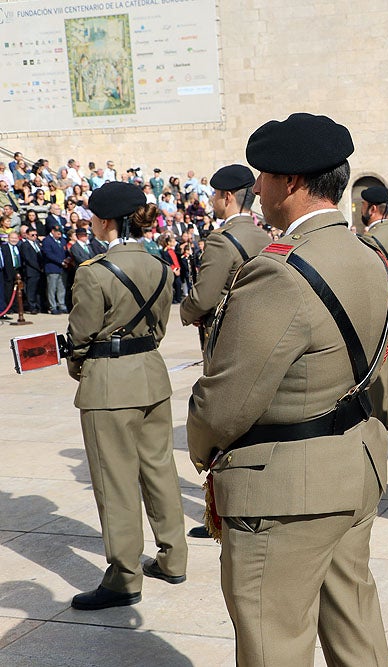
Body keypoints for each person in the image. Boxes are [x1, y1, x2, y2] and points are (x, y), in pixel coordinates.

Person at [186, 112, 388, 666]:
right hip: (354, 464)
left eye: (264, 175)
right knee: (355, 629)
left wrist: (202, 449)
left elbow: (226, 400)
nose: (257, 187)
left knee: (273, 640)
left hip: (287, 488)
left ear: (292, 183)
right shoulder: (369, 254)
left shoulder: (279, 273)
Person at [65, 181, 188, 610]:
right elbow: (159, 327)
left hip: (110, 381)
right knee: (158, 469)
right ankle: (174, 557)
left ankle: (123, 576)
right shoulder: (160, 266)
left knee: (115, 480)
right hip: (151, 373)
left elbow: (80, 335)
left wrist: (78, 364)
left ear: (106, 221)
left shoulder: (93, 270)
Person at [180, 164, 270, 359]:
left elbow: (203, 298)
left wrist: (187, 312)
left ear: (227, 197)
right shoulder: (265, 237)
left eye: (216, 194)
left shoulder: (220, 239)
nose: (213, 200)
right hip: (259, 331)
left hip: (226, 334)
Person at [359, 185, 388, 433]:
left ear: (373, 209)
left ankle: (380, 423)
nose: (361, 210)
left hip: (380, 314)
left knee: (378, 379)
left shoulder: (371, 240)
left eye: (363, 206)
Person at [41, 226, 69, 313]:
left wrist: (67, 258)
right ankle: (52, 306)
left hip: (62, 268)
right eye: (58, 232)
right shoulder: (47, 241)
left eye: (60, 233)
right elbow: (48, 254)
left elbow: (66, 251)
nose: (59, 234)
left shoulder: (62, 240)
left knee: (61, 288)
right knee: (51, 288)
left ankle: (61, 305)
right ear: (52, 231)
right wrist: (61, 262)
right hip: (52, 267)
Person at [18, 228, 43, 314]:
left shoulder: (37, 244)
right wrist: (38, 267)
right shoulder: (25, 245)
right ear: (27, 235)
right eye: (32, 235)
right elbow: (28, 259)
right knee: (31, 290)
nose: (35, 237)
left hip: (38, 271)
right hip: (31, 270)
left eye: (36, 235)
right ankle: (31, 307)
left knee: (38, 290)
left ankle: (38, 306)